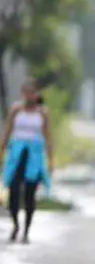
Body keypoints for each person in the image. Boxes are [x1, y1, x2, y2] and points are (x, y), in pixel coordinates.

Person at [0, 81, 53, 244]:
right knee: (13, 190)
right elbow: (7, 132)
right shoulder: (16, 110)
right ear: (22, 93)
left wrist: (51, 160)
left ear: (36, 94)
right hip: (17, 155)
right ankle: (15, 223)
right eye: (26, 92)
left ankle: (26, 230)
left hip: (34, 157)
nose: (29, 96)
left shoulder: (42, 113)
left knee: (30, 194)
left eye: (32, 93)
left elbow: (48, 137)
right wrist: (2, 151)